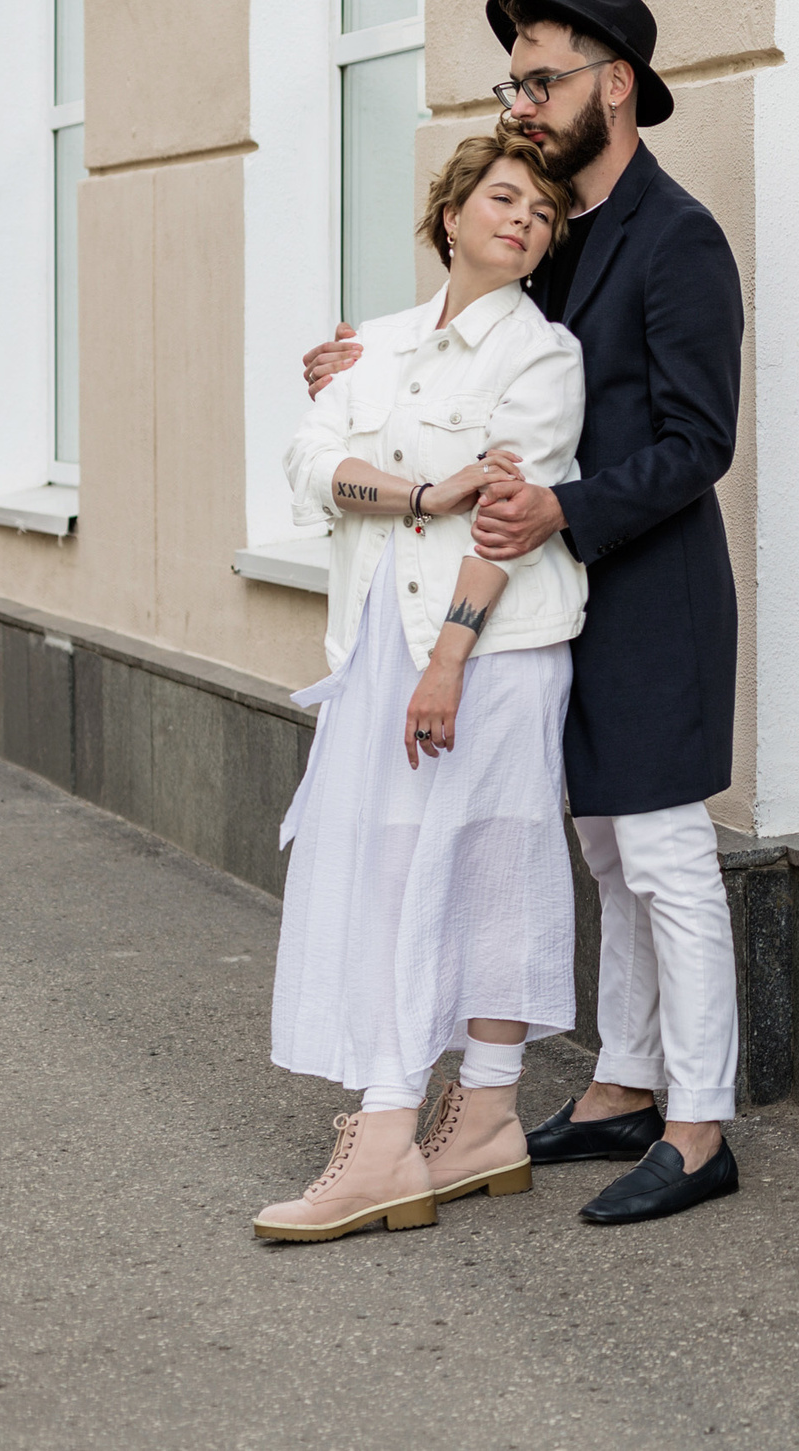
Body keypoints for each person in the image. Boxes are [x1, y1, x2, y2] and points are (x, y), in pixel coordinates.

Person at [302, 0, 748, 1226]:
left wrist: (567, 509)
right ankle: (620, 1086)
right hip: (556, 607)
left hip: (652, 596)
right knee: (604, 851)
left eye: (543, 77)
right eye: (515, 83)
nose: (525, 102)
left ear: (617, 85)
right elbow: (477, 367)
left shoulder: (679, 237)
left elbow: (699, 441)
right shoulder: (555, 234)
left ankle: (700, 1125)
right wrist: (358, 369)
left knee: (665, 858)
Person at [260, 131, 587, 1242]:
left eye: (542, 216)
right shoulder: (376, 345)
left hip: (487, 652)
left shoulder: (542, 356)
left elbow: (508, 516)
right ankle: (453, 1121)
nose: (521, 222)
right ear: (450, 216)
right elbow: (310, 465)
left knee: (492, 863)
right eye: (502, 200)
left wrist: (448, 660)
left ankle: (420, 1125)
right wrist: (418, 494)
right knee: (393, 871)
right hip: (378, 646)